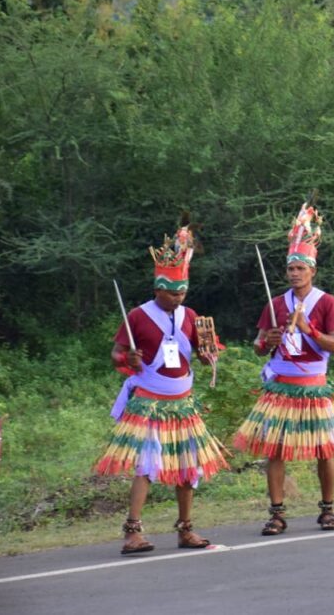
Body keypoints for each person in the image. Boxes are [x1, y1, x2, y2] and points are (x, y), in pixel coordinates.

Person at [95, 222, 229, 554]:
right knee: (146, 465)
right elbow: (116, 355)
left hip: (183, 402)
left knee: (188, 466)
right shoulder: (138, 316)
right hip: (149, 402)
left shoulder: (191, 315)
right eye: (172, 292)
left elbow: (201, 352)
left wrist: (208, 354)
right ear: (158, 288)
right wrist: (129, 358)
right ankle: (132, 532)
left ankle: (185, 529)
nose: (178, 297)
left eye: (182, 292)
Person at [234, 201, 334, 534]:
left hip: (314, 385)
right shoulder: (275, 302)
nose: (295, 273)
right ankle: (276, 512)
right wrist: (266, 341)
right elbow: (259, 347)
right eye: (291, 268)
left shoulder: (326, 303)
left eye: (301, 268)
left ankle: (327, 509)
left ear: (312, 270)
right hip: (281, 385)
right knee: (275, 449)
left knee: (324, 449)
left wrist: (308, 330)